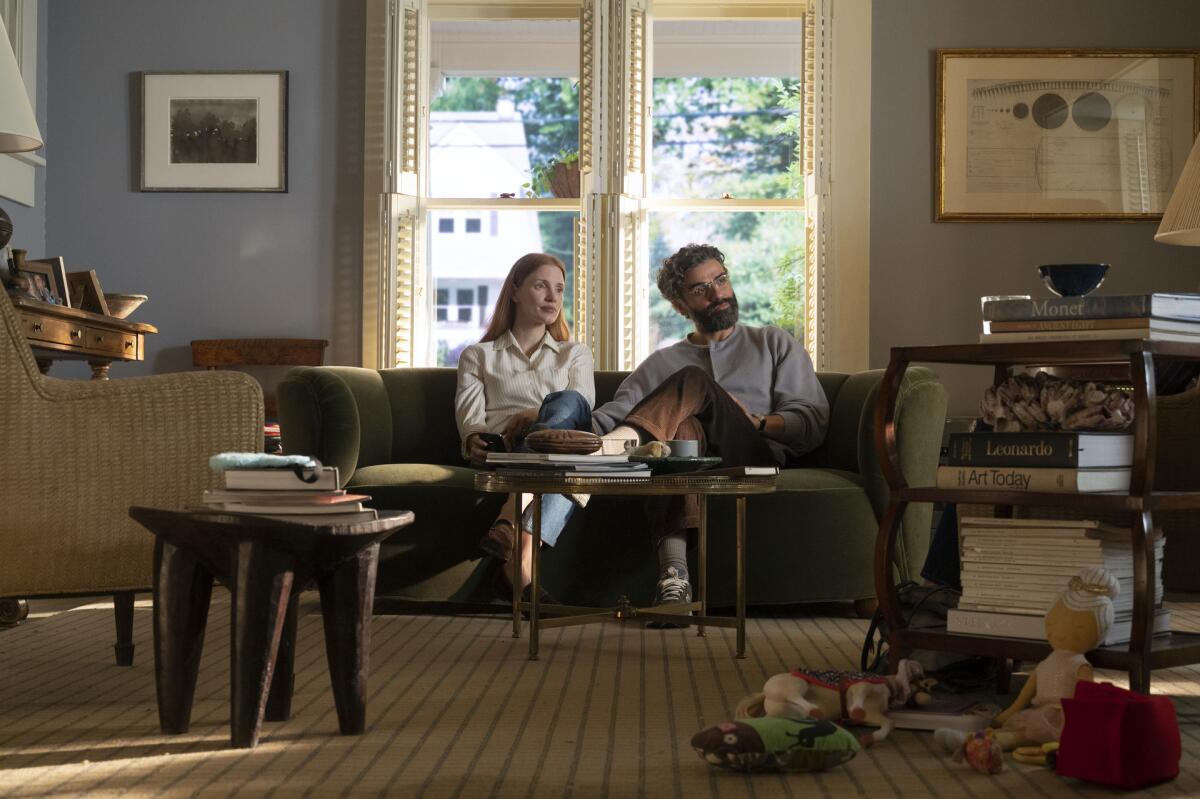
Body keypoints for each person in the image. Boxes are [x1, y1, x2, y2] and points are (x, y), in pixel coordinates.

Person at [592, 243, 829, 625]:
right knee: (681, 430)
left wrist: (759, 423)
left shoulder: (772, 343)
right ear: (680, 306)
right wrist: (555, 423)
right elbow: (618, 413)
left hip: (751, 456)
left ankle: (611, 454)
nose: (718, 294)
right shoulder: (661, 362)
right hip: (688, 455)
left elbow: (812, 421)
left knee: (692, 381)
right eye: (701, 289)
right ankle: (675, 582)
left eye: (721, 280)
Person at [455, 252, 595, 602]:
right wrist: (474, 439)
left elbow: (581, 406)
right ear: (515, 291)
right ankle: (520, 566)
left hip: (561, 444)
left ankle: (512, 544)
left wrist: (536, 414)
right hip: (507, 451)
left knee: (567, 406)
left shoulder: (575, 353)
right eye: (541, 286)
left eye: (559, 290)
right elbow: (471, 420)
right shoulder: (478, 355)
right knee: (571, 468)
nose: (552, 297)